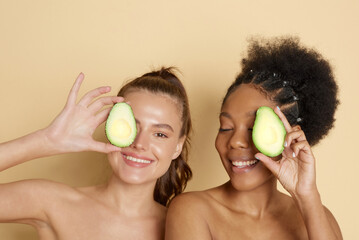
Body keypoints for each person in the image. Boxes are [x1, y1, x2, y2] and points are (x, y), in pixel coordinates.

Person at [165, 37, 343, 239]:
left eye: (252, 129)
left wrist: (307, 196)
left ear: (291, 137)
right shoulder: (192, 210)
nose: (235, 141)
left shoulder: (319, 217)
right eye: (225, 128)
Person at [0, 67, 192, 240]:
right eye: (130, 126)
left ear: (178, 146)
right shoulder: (53, 203)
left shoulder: (187, 227)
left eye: (160, 134)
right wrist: (46, 141)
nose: (140, 144)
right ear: (109, 127)